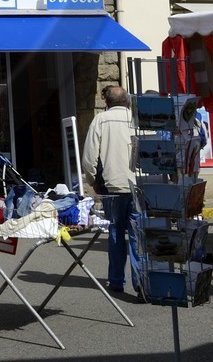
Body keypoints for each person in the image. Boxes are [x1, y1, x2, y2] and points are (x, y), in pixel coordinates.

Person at [81, 84, 136, 295]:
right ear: (127, 101)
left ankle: (116, 281)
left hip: (112, 186)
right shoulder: (136, 119)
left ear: (107, 102)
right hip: (137, 186)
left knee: (115, 234)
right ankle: (141, 283)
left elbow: (89, 157)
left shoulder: (101, 120)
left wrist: (93, 181)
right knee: (137, 235)